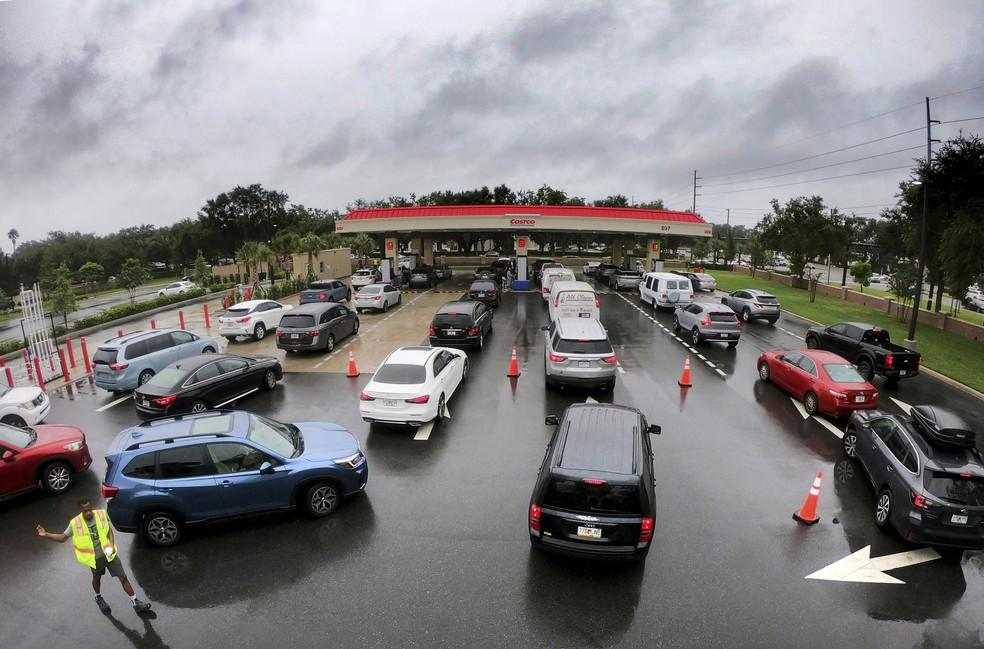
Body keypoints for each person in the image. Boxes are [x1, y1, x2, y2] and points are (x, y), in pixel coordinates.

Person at [37, 497, 152, 615]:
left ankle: (135, 602)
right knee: (97, 579)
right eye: (85, 511)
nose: (88, 513)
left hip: (109, 555)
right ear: (80, 511)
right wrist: (46, 534)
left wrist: (111, 545)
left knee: (123, 577)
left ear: (91, 507)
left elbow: (108, 531)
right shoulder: (75, 523)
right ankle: (98, 597)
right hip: (95, 560)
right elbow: (63, 538)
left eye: (89, 509)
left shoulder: (101, 514)